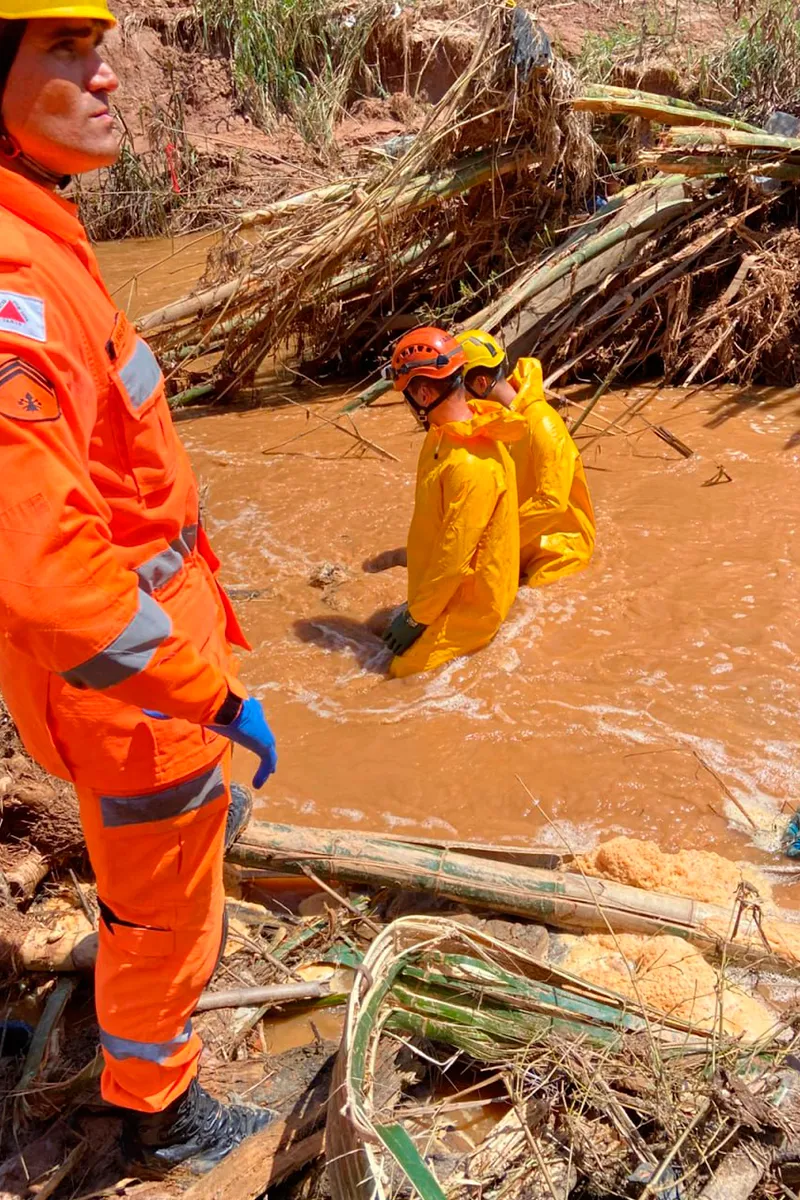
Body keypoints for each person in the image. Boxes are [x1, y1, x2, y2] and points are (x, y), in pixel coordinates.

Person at [0, 3, 277, 1174]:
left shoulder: (42, 238)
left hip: (146, 672)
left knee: (156, 881)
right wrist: (204, 695)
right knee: (163, 913)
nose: (105, 74)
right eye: (63, 51)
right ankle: (159, 1112)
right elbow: (53, 575)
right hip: (142, 694)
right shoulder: (13, 281)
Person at [382, 326, 524, 676]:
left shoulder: (471, 464)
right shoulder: (444, 435)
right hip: (442, 593)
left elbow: (454, 557)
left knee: (399, 675)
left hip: (472, 608)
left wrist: (417, 619)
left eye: (407, 395)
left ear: (426, 392)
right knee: (381, 645)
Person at [456, 329, 596, 587]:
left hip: (559, 556)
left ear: (480, 384)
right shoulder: (498, 425)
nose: (457, 401)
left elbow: (551, 501)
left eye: (457, 390)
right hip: (522, 549)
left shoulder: (542, 422)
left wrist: (494, 542)